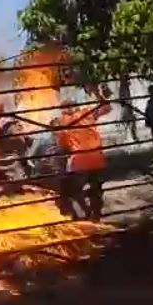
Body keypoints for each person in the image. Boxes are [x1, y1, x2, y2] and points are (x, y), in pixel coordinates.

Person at [55, 90, 113, 221]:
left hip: (80, 161)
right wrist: (97, 93)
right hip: (97, 158)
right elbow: (107, 108)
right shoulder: (87, 113)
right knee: (96, 187)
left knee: (73, 189)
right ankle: (96, 215)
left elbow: (62, 147)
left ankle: (85, 213)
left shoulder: (63, 122)